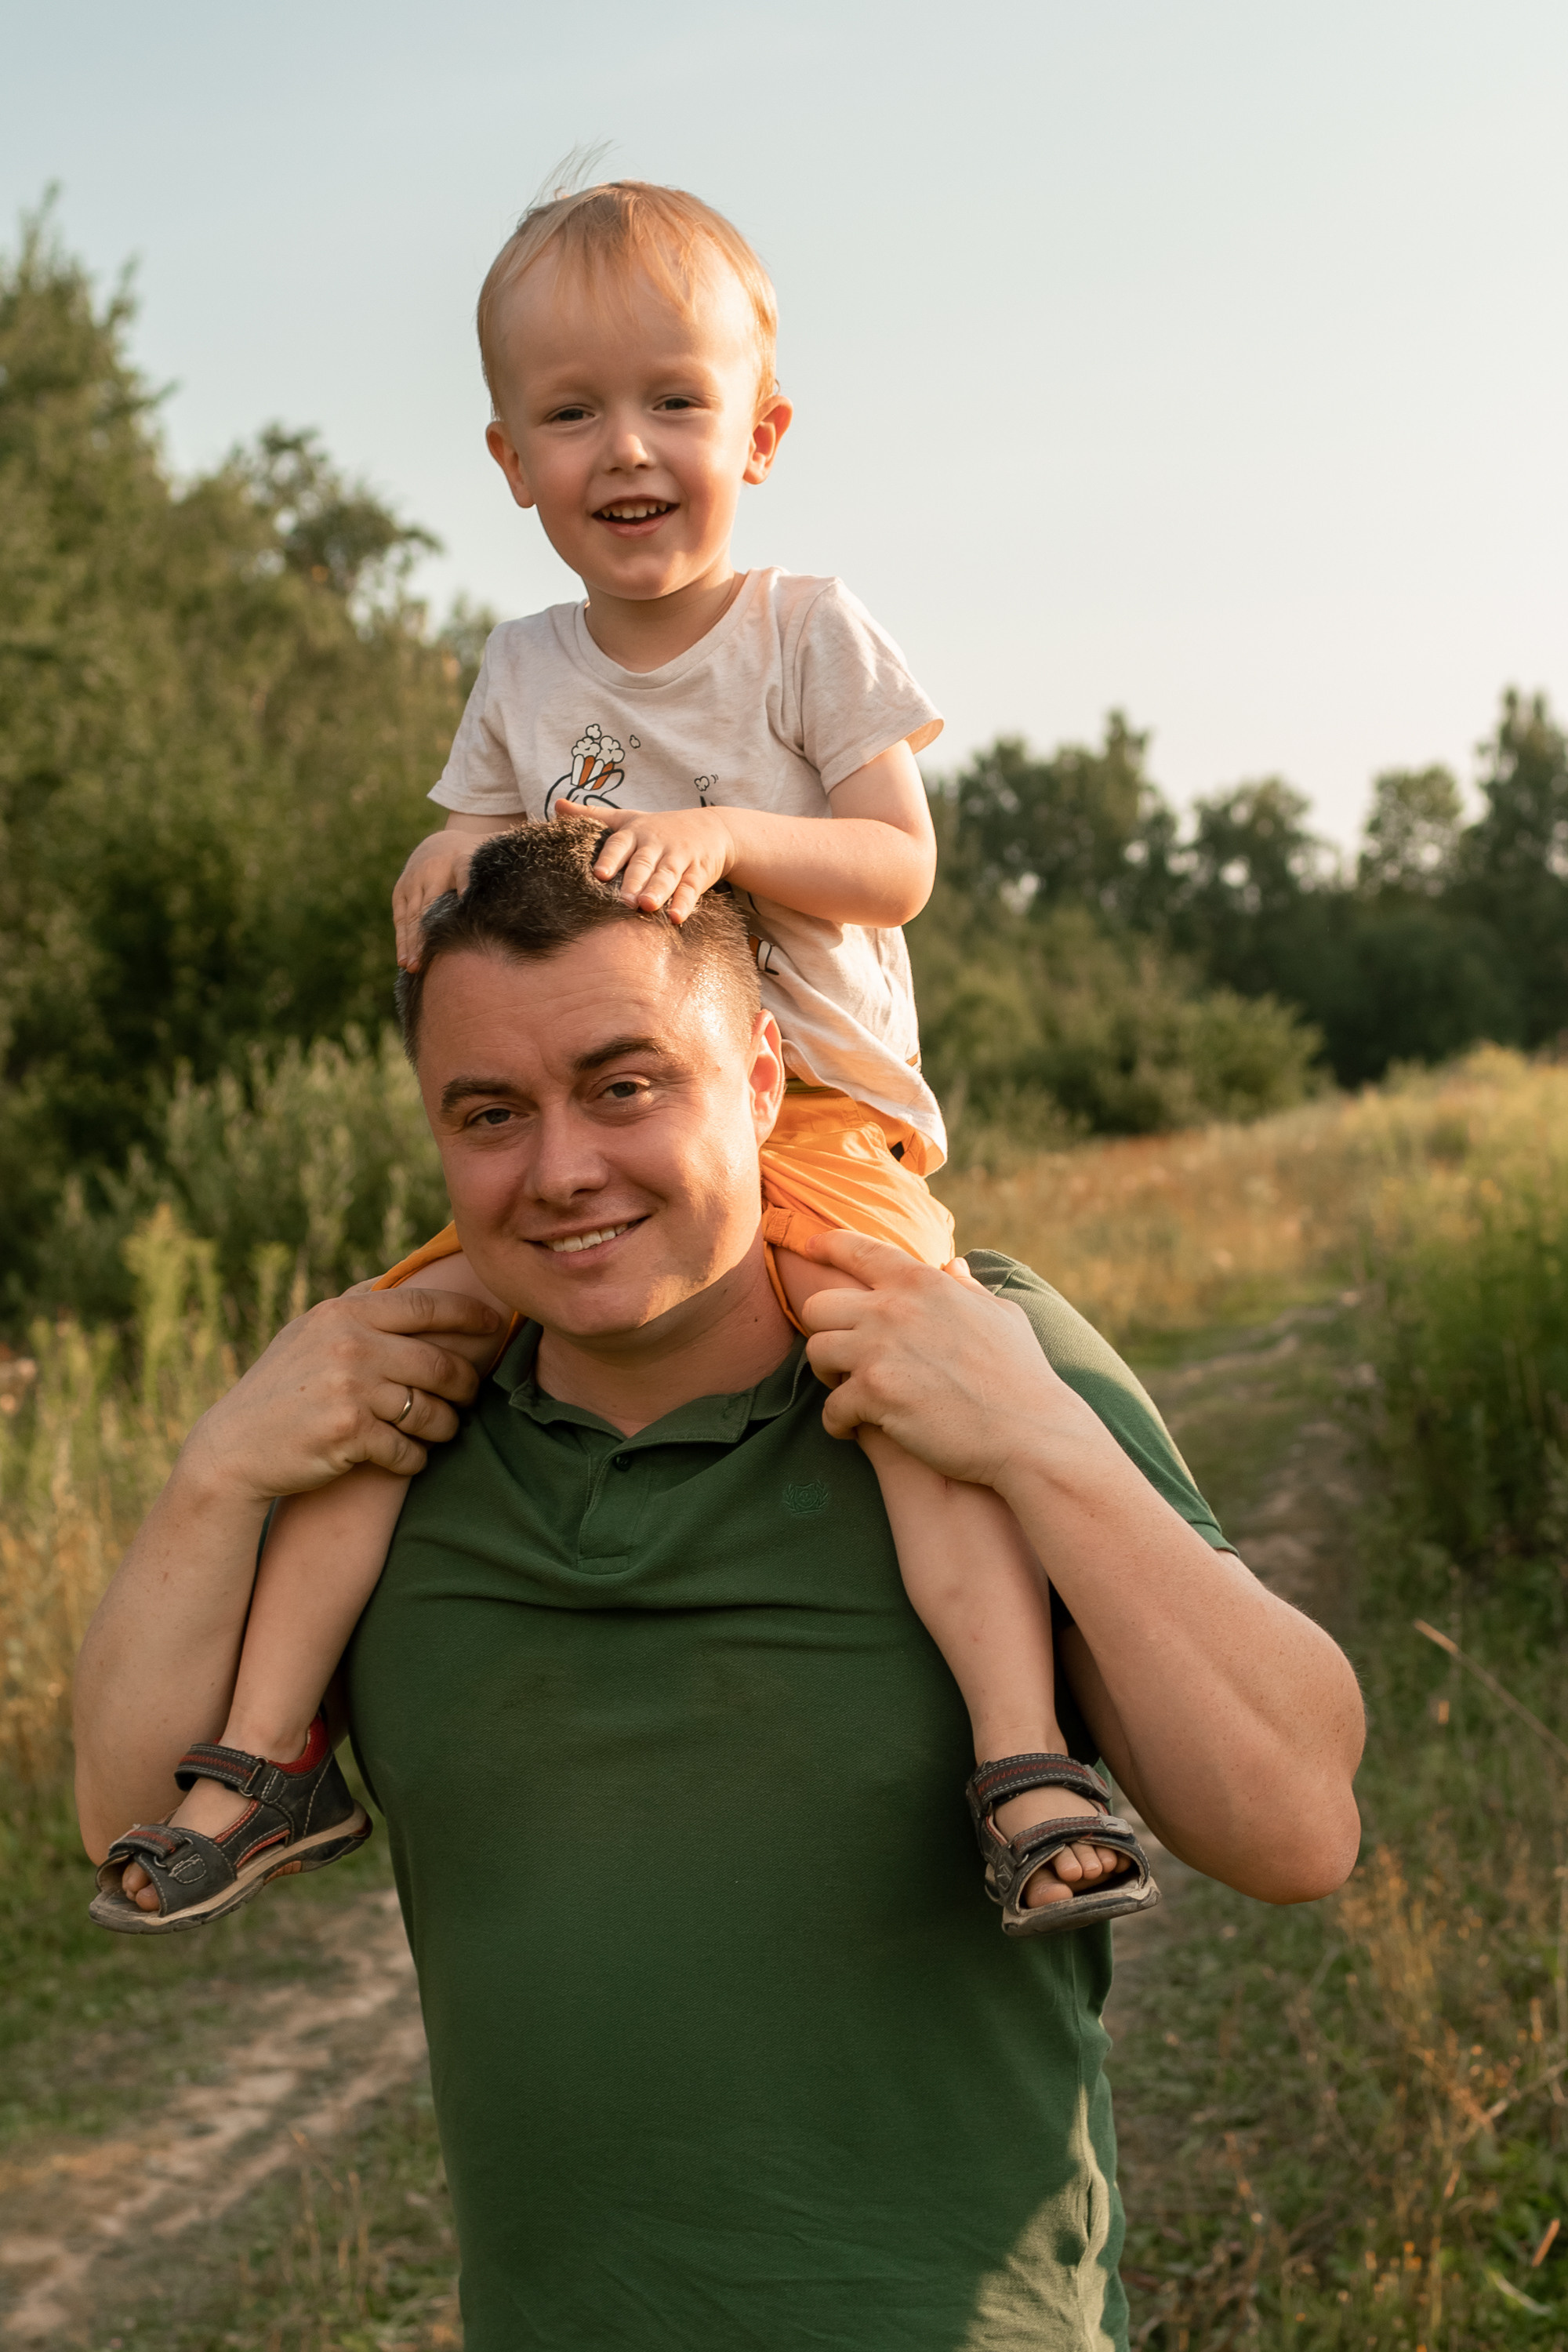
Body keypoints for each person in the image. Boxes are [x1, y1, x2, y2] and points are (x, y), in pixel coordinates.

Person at [75, 829, 1363, 2347]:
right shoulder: (390, 1430)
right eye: (490, 1114)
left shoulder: (967, 1353)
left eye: (625, 1086)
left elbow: (1295, 1826)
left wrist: (1036, 1439)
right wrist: (217, 1471)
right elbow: (133, 1824)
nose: (562, 1170)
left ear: (759, 1083)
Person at [96, 180, 1150, 1936]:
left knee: (907, 1380)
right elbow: (470, 842)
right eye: (573, 413)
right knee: (385, 1375)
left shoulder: (803, 630)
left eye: (675, 400)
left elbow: (898, 865)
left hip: (816, 1115)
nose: (629, 448)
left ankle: (1022, 1755)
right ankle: (270, 1753)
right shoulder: (526, 668)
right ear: (510, 459)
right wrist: (441, 857)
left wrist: (727, 834)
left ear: (762, 432)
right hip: (617, 1126)